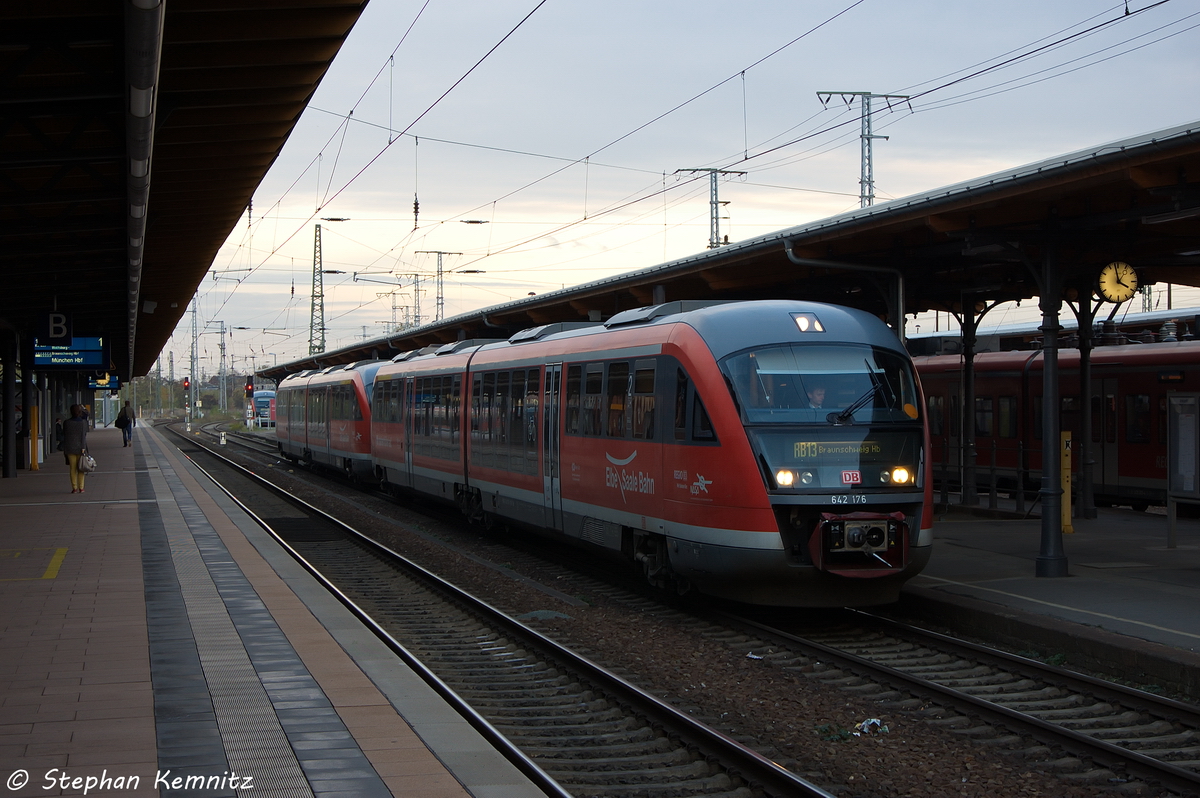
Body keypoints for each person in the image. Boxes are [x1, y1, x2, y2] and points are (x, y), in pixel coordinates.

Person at [63, 404, 89, 494]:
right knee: (81, 468)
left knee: (72, 469)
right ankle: (81, 487)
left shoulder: (66, 423)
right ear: (79, 412)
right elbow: (83, 436)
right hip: (81, 448)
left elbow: (65, 435)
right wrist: (83, 448)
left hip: (70, 448)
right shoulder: (83, 423)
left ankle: (74, 488)